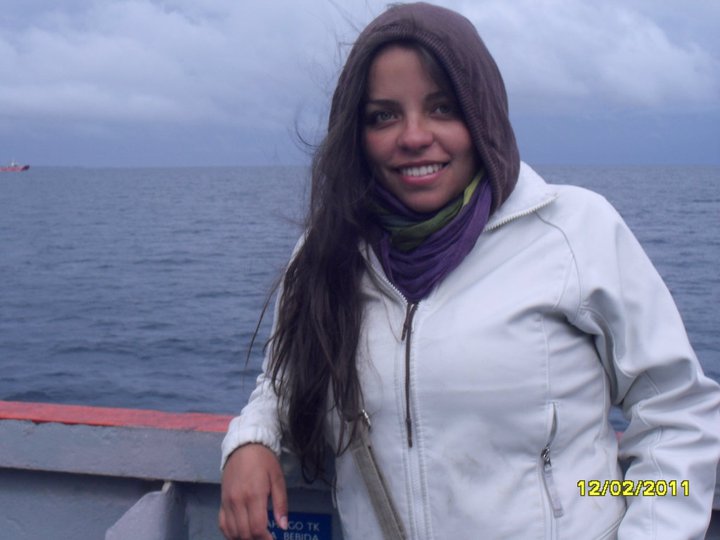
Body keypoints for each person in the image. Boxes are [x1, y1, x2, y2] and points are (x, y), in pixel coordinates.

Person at [219, 3, 720, 539]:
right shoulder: (327, 253)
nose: (414, 136)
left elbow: (677, 415)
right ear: (356, 134)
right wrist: (251, 440)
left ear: (483, 114)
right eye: (384, 115)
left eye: (443, 108)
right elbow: (284, 381)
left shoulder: (574, 231)